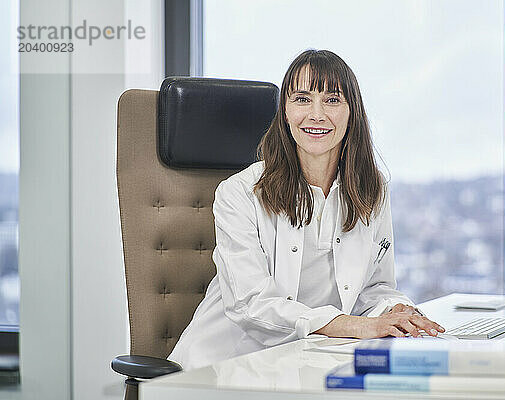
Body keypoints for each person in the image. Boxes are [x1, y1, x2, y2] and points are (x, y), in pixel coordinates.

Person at [169, 49, 445, 370]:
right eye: (302, 99)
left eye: (331, 99)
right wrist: (353, 326)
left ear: (351, 112)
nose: (316, 114)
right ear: (285, 112)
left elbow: (374, 287)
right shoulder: (240, 193)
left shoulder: (371, 189)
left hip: (309, 361)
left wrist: (399, 313)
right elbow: (252, 305)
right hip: (223, 365)